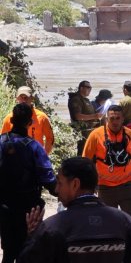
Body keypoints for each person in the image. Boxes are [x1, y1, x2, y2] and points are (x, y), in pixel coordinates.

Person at [18, 157, 131, 263]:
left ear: (75, 184)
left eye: (60, 183)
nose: (56, 190)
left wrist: (33, 236)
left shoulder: (51, 228)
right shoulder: (127, 223)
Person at [0, 103, 56, 263]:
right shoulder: (34, 147)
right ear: (30, 123)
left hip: (4, 205)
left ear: (11, 120)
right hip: (29, 206)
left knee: (9, 250)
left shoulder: (1, 142)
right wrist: (59, 191)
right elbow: (47, 176)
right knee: (29, 249)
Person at [82, 105, 131, 221]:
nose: (115, 122)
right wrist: (88, 185)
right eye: (111, 118)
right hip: (104, 187)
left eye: (118, 118)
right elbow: (85, 161)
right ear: (106, 119)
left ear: (123, 119)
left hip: (126, 184)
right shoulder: (96, 135)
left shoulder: (130, 135)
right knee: (107, 222)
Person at [1, 86, 54, 154]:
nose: (24, 100)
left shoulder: (42, 117)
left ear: (32, 98)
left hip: (35, 158)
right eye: (21, 97)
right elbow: (3, 139)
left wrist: (44, 154)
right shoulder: (9, 118)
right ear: (17, 98)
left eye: (26, 97)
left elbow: (50, 138)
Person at [68, 80, 102, 156]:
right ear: (81, 88)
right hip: (82, 133)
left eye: (91, 88)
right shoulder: (76, 99)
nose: (90, 90)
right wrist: (95, 116)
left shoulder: (85, 100)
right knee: (82, 153)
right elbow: (78, 116)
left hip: (89, 132)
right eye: (88, 87)